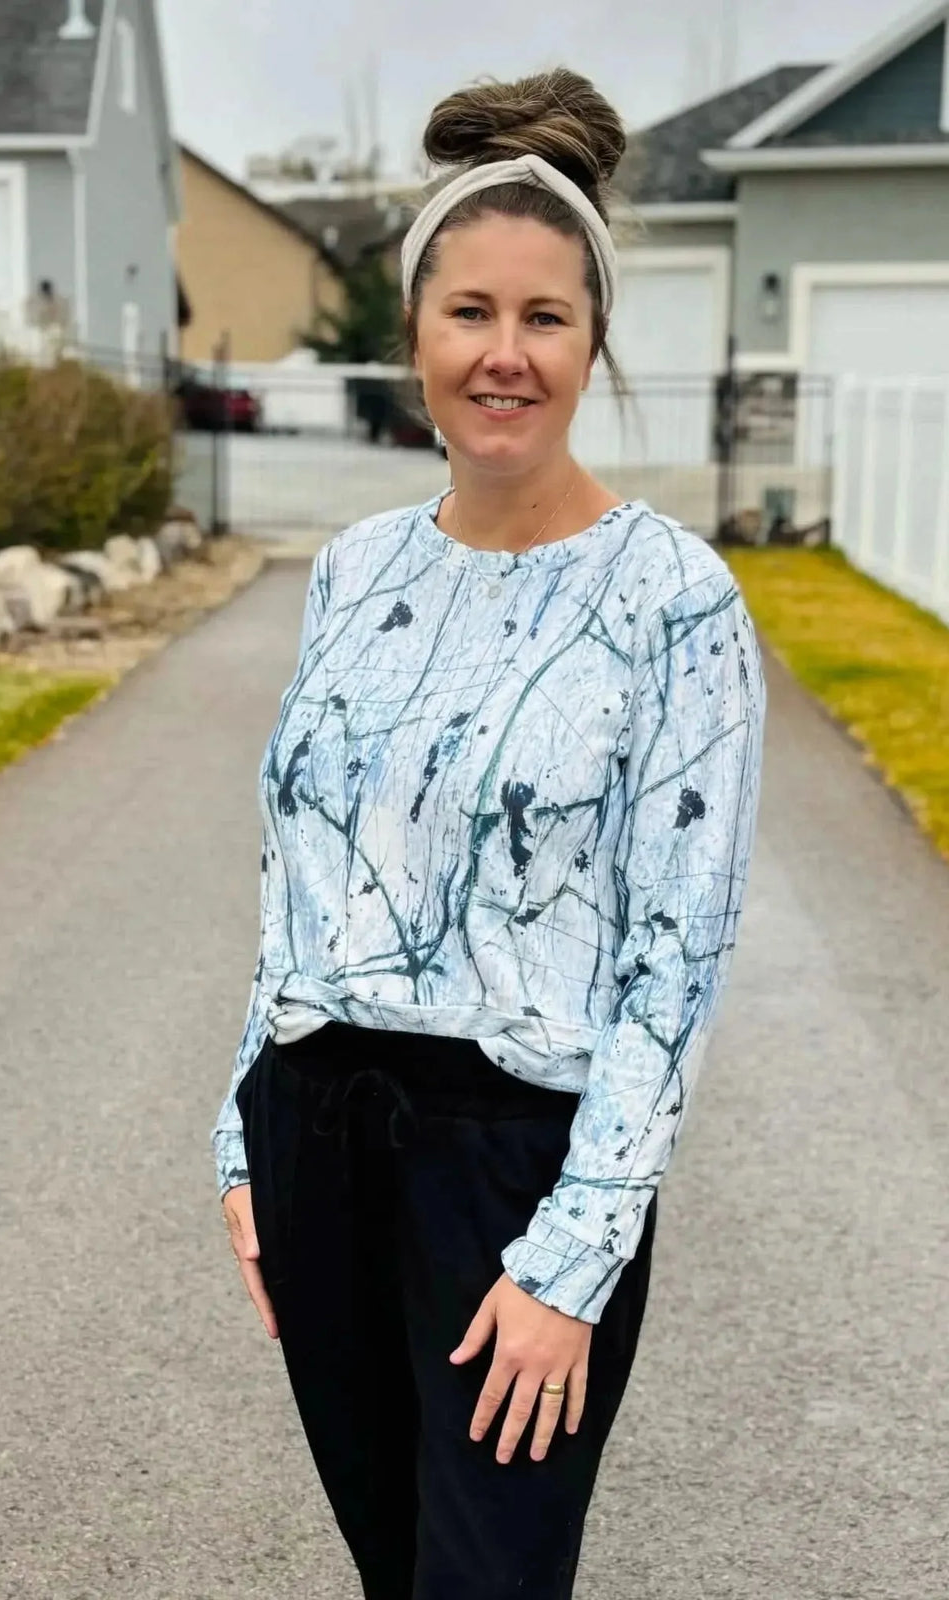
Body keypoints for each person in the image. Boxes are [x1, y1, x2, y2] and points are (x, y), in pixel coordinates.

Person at [213, 66, 767, 1600]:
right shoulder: (352, 568)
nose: (504, 355)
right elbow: (297, 870)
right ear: (415, 335)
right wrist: (238, 1137)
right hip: (315, 1137)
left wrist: (574, 1259)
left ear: (594, 345)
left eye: (545, 318)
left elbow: (676, 963)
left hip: (518, 1170)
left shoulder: (675, 602)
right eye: (470, 313)